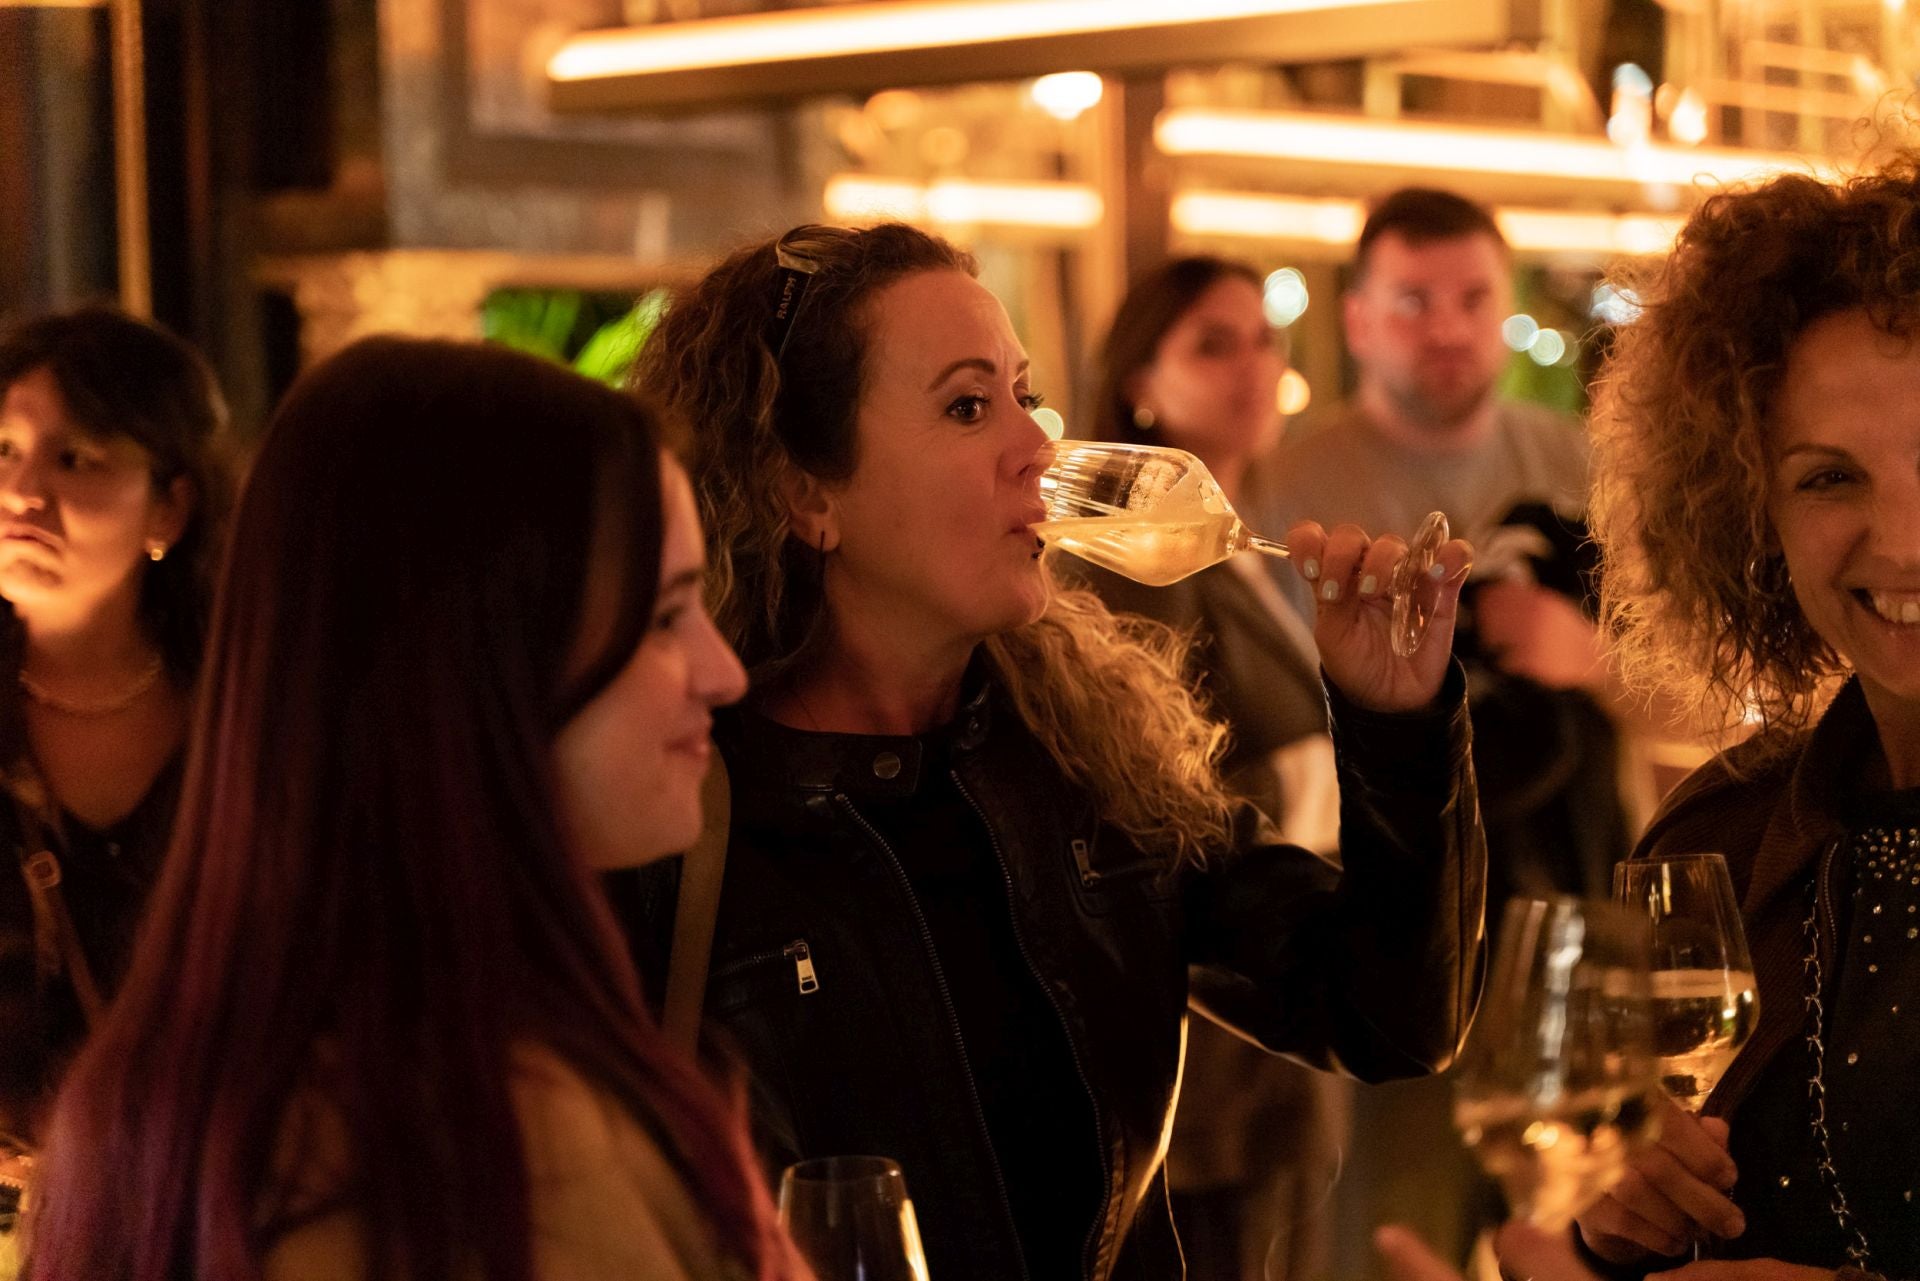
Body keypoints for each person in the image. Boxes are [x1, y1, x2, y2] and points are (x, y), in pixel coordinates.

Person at [628, 220, 1487, 1281]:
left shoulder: (1084, 754)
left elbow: (1388, 1018)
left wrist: (1395, 728)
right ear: (808, 492)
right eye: (966, 406)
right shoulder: (678, 814)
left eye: (1023, 395)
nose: (1039, 444)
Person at [21, 338, 806, 1281]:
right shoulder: (490, 1150)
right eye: (665, 616)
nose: (722, 673)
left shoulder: (171, 1094)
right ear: (483, 666)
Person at [1248, 187, 1630, 1274]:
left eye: (1472, 298)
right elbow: (1275, 735)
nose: (1449, 327)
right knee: (1393, 1236)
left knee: (1583, 1242)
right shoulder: (1290, 487)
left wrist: (1587, 654)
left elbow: (1711, 693)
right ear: (1359, 318)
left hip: (1578, 921)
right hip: (1397, 924)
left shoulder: (1586, 465)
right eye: (1415, 301)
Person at [1572, 160, 1920, 1280]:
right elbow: (1619, 1211)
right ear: (1749, 513)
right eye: (1829, 480)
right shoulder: (1714, 847)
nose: (1902, 543)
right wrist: (1616, 1213)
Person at [1068, 256, 1344, 1280]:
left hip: (1262, 1000)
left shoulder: (1223, 536)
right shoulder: (1139, 544)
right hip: (1215, 1030)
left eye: (1262, 340)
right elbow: (1146, 773)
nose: (1252, 368)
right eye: (1211, 345)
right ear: (1141, 383)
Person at [0, 308, 230, 1171]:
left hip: (203, 1203)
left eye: (75, 457)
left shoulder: (240, 711)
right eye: (4, 450)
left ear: (171, 504)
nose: (24, 491)